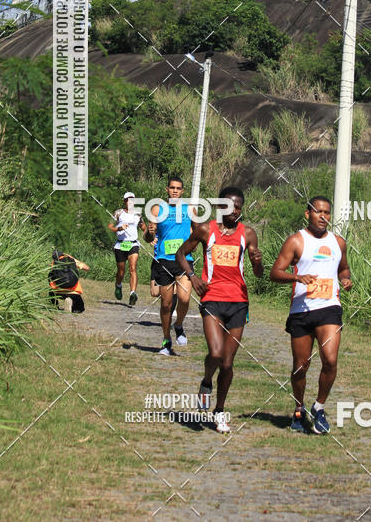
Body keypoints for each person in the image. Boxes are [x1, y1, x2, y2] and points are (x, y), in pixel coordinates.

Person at [176, 186, 263, 433]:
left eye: (238, 207)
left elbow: (258, 273)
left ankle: (220, 411)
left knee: (227, 362)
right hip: (212, 297)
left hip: (238, 302)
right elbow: (181, 253)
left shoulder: (248, 233)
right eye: (228, 205)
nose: (233, 211)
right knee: (215, 353)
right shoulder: (206, 230)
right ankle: (206, 383)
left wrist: (258, 262)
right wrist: (192, 278)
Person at [269, 196, 352, 434]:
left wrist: (345, 279)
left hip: (330, 308)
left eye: (327, 212)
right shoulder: (296, 241)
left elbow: (343, 267)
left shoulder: (338, 242)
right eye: (318, 212)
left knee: (331, 360)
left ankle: (319, 406)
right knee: (301, 366)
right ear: (308, 214)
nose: (323, 216)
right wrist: (297, 277)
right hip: (302, 310)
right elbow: (275, 273)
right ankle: (298, 408)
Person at [145, 175, 194, 355]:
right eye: (172, 187)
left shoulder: (190, 210)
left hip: (183, 260)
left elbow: (199, 232)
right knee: (166, 305)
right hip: (164, 260)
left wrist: (195, 244)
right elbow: (149, 237)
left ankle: (178, 324)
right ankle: (166, 340)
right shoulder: (158, 209)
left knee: (184, 298)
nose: (175, 191)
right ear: (167, 189)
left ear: (182, 191)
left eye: (178, 188)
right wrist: (150, 233)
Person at [108, 191, 146, 306]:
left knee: (133, 268)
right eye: (128, 200)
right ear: (124, 201)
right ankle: (118, 285)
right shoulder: (118, 213)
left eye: (132, 200)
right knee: (121, 271)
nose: (130, 202)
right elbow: (110, 226)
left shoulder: (138, 214)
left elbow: (143, 227)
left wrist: (150, 234)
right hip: (120, 245)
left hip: (133, 244)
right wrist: (119, 229)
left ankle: (132, 293)